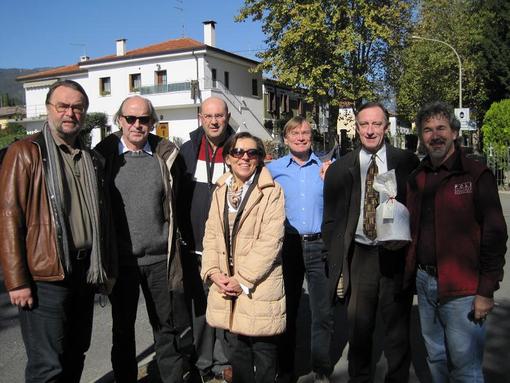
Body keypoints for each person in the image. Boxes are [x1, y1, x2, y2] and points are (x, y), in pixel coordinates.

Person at [0, 80, 116, 382]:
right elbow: (8, 218)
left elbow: (103, 219)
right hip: (45, 277)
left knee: (77, 352)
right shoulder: (26, 153)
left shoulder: (91, 159)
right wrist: (16, 281)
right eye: (62, 106)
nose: (70, 113)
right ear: (48, 110)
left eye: (77, 107)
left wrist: (105, 268)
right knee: (47, 366)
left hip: (84, 272)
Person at [404, 101, 507, 382]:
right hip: (425, 283)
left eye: (441, 128)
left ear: (454, 132)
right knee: (435, 358)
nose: (434, 135)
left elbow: (495, 235)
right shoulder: (418, 177)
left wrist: (486, 290)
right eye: (427, 130)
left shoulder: (475, 175)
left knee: (466, 368)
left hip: (462, 288)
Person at [95, 96, 192, 383]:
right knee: (122, 330)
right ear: (119, 120)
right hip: (122, 262)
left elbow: (180, 204)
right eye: (131, 119)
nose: (137, 125)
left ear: (153, 122)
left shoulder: (166, 156)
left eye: (144, 119)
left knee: (167, 328)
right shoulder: (103, 158)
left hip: (161, 260)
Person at [322, 102, 419, 382]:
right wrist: (338, 256)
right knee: (359, 332)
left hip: (396, 255)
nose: (370, 130)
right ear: (356, 128)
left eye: (376, 124)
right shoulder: (340, 168)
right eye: (364, 124)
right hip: (360, 256)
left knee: (398, 332)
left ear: (386, 128)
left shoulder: (407, 162)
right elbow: (330, 220)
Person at [201, 132, 286, 383]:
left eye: (252, 153)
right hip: (225, 286)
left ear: (260, 159)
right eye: (237, 152)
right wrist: (213, 272)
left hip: (258, 285)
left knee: (264, 356)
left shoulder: (272, 192)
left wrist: (242, 279)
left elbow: (271, 242)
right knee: (237, 355)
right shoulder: (220, 191)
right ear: (228, 157)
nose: (244, 158)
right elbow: (211, 235)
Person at [267, 116, 333, 383]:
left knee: (322, 313)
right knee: (287, 310)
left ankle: (321, 368)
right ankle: (286, 370)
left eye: (305, 132)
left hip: (319, 245)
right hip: (288, 245)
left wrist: (334, 178)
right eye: (295, 133)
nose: (301, 137)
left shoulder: (327, 168)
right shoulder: (273, 169)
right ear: (285, 139)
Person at [178, 96, 235, 382]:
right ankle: (202, 363)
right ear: (201, 117)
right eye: (208, 116)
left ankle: (224, 361)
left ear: (227, 117)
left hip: (229, 248)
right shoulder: (187, 151)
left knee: (225, 305)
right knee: (199, 310)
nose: (214, 121)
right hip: (194, 247)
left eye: (219, 116)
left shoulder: (240, 150)